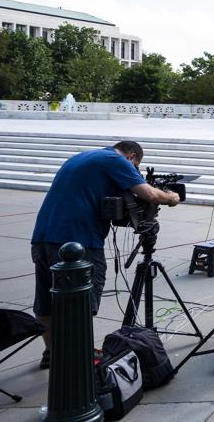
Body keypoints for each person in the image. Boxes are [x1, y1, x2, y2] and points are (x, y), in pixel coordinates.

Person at [30, 141, 181, 369]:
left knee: (46, 299)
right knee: (82, 299)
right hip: (78, 239)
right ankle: (79, 354)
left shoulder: (82, 157)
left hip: (42, 236)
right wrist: (171, 197)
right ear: (131, 156)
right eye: (136, 167)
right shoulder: (116, 160)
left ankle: (52, 352)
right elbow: (148, 194)